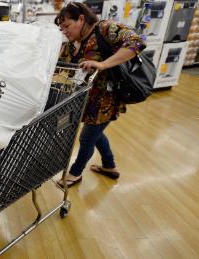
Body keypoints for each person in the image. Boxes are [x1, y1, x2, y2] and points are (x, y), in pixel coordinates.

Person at [55, 2, 146, 187]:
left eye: (67, 26)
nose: (64, 30)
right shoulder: (72, 45)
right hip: (86, 99)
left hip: (106, 98)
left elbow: (136, 42)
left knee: (87, 137)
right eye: (61, 28)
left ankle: (75, 173)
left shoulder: (104, 29)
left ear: (81, 19)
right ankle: (109, 166)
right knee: (96, 132)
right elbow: (60, 64)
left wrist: (103, 64)